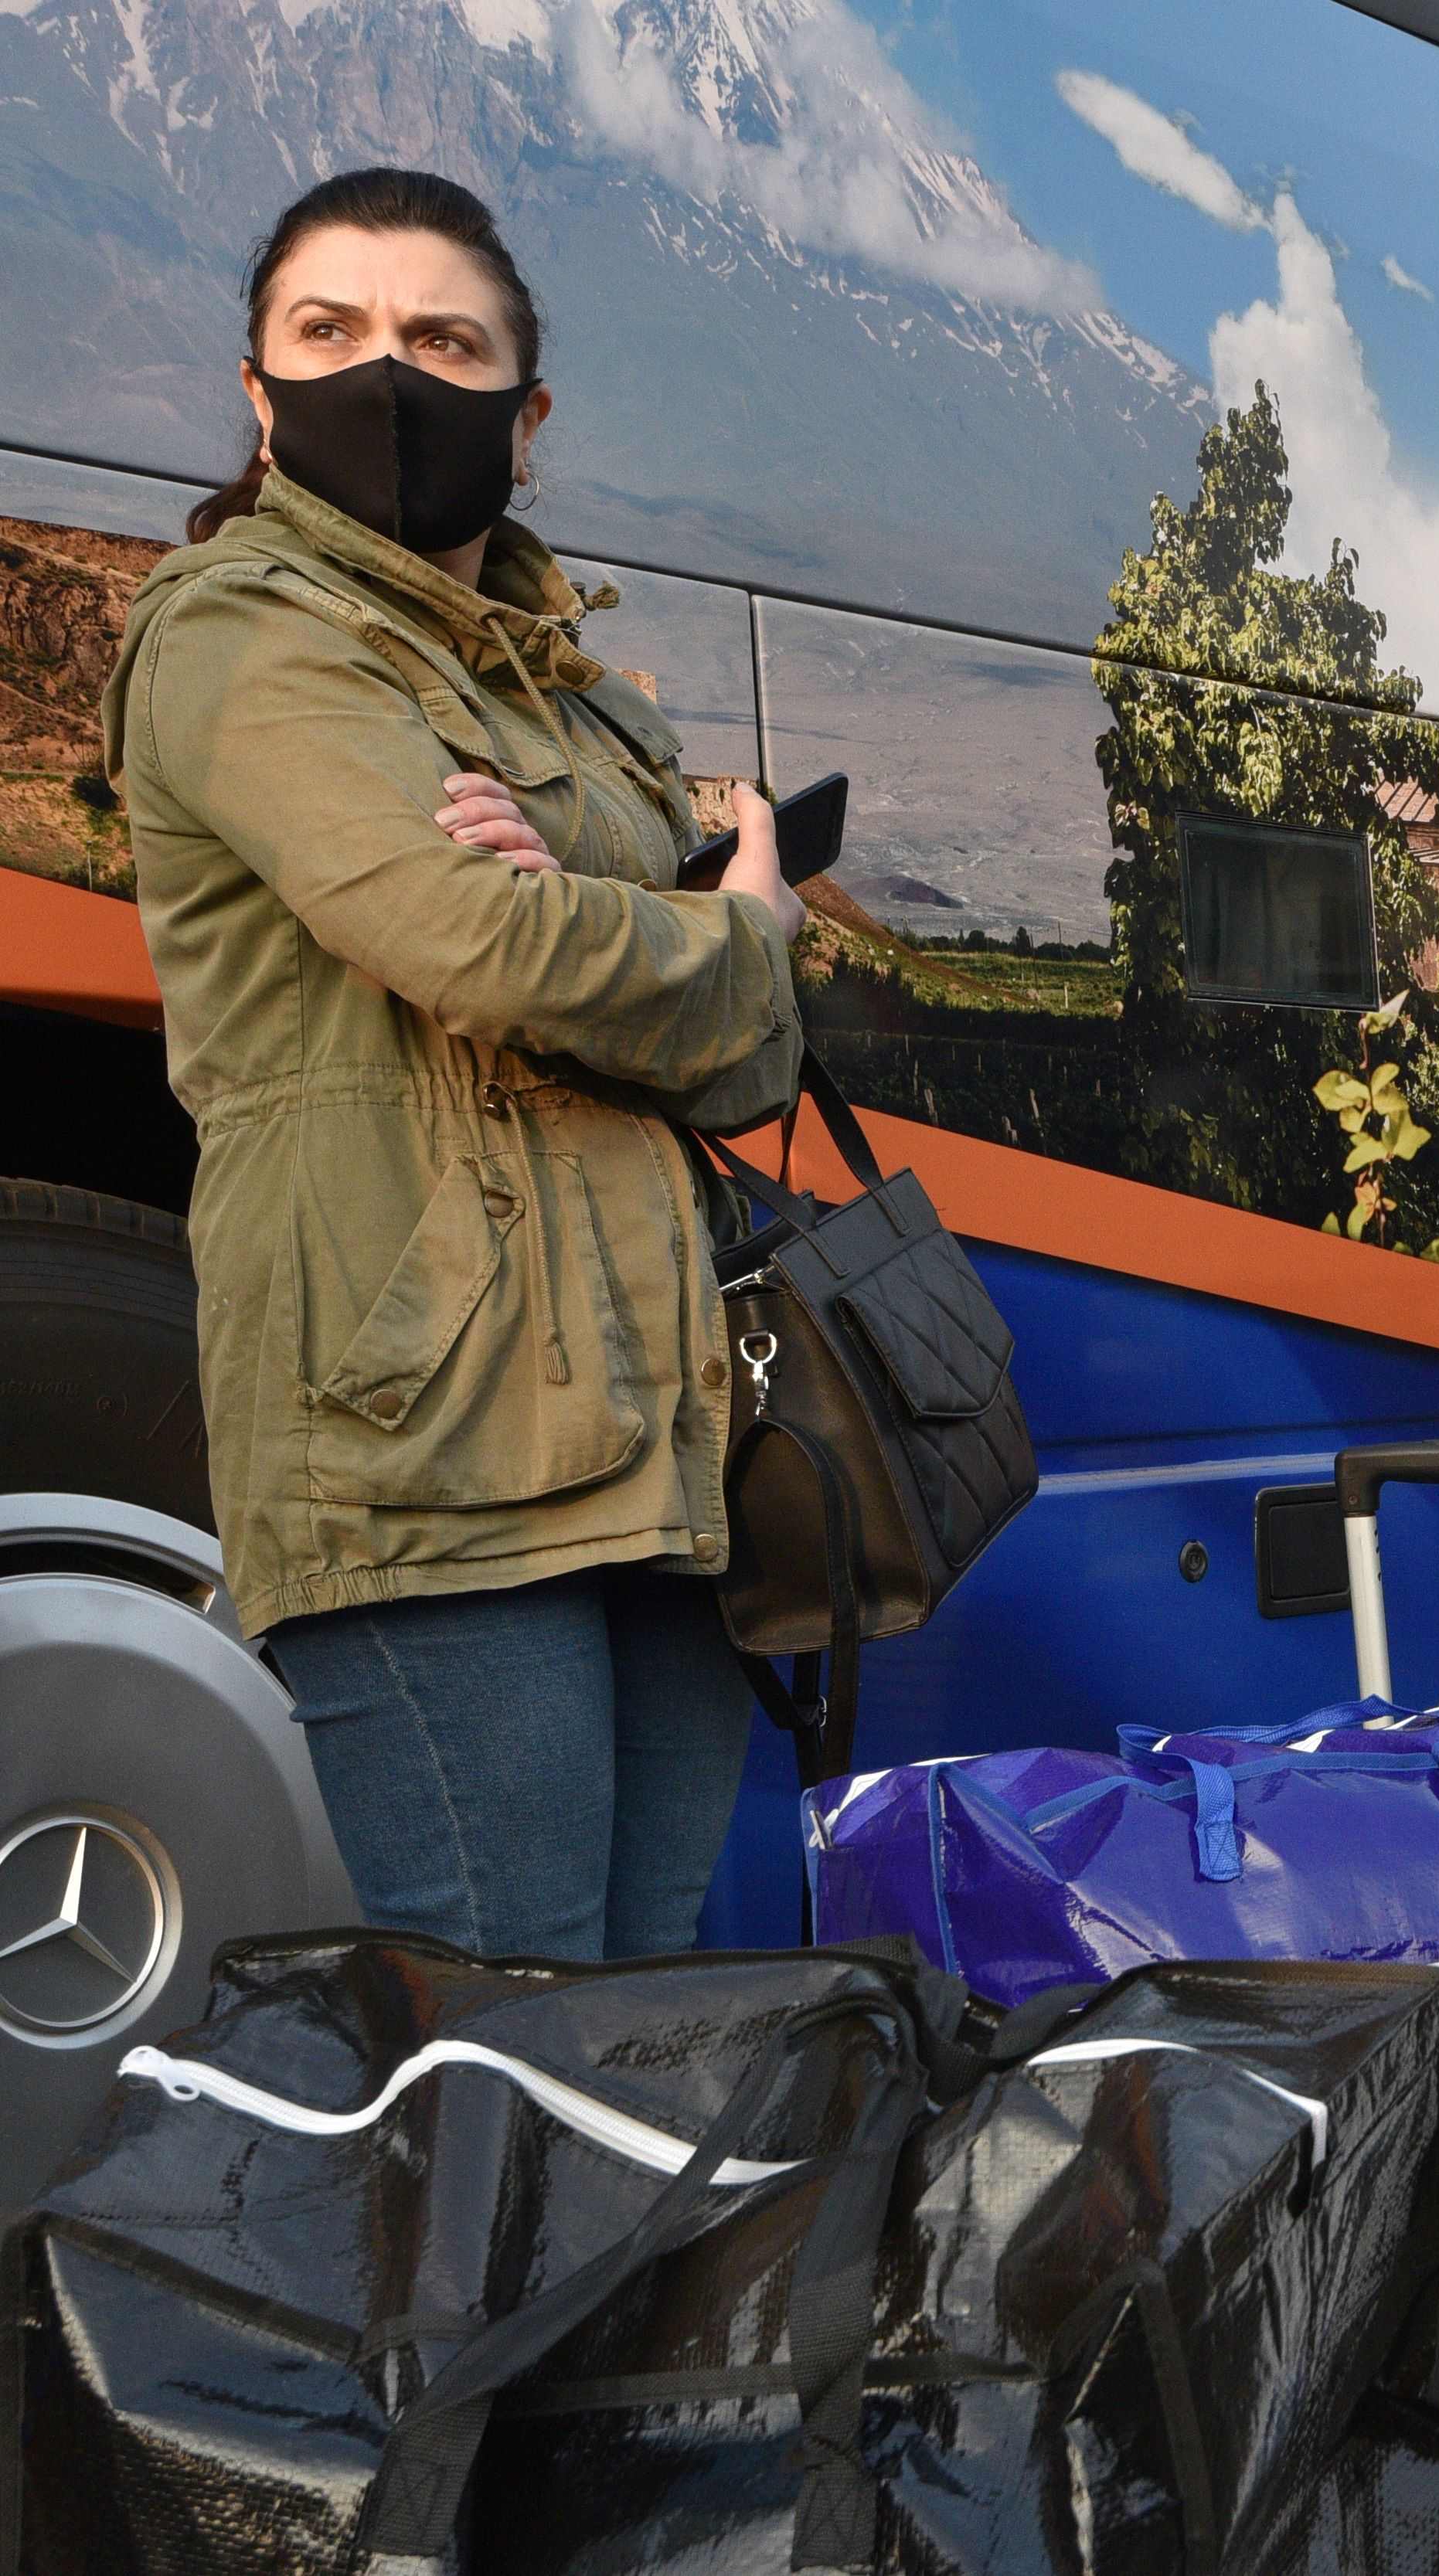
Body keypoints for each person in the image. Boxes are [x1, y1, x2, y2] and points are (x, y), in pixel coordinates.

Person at [103, 170, 808, 1959]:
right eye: (328, 335)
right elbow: (474, 942)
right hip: (422, 1449)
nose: (389, 376)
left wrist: (617, 920)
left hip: (660, 1434)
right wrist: (714, 923)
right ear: (257, 399)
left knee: (642, 2029)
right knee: (510, 2064)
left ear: (527, 410)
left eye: (442, 339)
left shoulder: (572, 693)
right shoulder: (242, 635)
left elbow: (743, 1062)